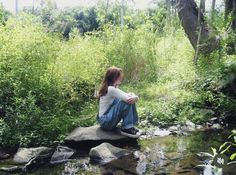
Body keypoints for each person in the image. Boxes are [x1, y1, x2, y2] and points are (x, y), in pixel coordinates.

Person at [96, 66, 140, 138]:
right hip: (105, 121)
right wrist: (135, 97)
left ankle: (130, 126)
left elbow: (127, 95)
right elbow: (128, 98)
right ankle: (127, 128)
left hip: (105, 121)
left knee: (127, 100)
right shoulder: (111, 89)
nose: (121, 78)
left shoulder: (111, 88)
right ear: (113, 77)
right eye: (119, 76)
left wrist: (135, 97)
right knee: (126, 101)